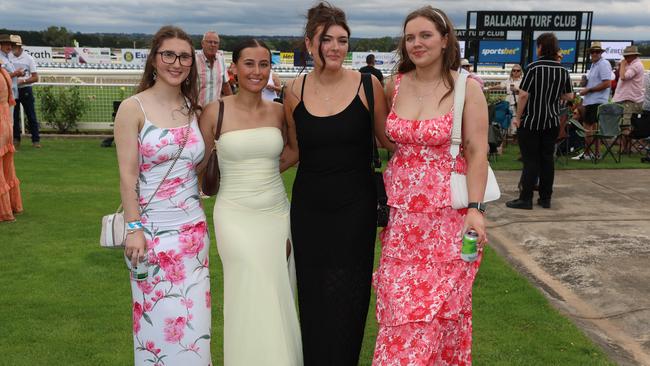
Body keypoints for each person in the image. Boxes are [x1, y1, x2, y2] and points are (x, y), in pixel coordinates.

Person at [372, 6, 489, 365]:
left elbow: (476, 149)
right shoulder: (395, 85)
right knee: (399, 314)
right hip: (402, 222)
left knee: (442, 318)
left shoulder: (466, 88)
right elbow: (384, 140)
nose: (416, 43)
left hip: (446, 223)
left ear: (445, 39)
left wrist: (476, 209)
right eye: (410, 37)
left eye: (425, 35)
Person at [282, 2, 392, 364]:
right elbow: (294, 149)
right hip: (309, 209)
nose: (335, 47)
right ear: (309, 43)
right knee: (312, 298)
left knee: (348, 297)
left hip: (354, 210)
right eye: (326, 39)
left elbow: (388, 140)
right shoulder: (293, 90)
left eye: (342, 40)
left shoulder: (368, 85)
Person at [198, 38, 302, 365]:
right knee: (249, 285)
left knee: (276, 289)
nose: (257, 72)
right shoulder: (216, 111)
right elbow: (198, 164)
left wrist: (269, 171)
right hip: (234, 214)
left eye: (264, 64)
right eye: (249, 64)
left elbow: (295, 150)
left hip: (275, 212)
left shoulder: (279, 111)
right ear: (234, 68)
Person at [114, 25, 212, 365]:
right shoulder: (132, 108)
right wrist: (133, 228)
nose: (177, 62)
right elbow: (127, 176)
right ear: (154, 59)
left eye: (184, 56)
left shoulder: (194, 109)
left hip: (193, 238)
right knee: (155, 331)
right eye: (168, 54)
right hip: (150, 236)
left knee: (195, 328)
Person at [507, 33, 574, 210]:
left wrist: (518, 118)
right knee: (547, 160)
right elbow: (569, 95)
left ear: (541, 47)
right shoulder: (562, 70)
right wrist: (553, 94)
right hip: (552, 120)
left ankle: (526, 198)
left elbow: (523, 94)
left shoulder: (534, 68)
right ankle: (545, 198)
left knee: (530, 160)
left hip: (531, 121)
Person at [574, 41, 612, 160]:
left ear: (601, 53)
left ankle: (587, 153)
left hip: (596, 101)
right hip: (591, 100)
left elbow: (607, 83)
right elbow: (598, 82)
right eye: (592, 52)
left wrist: (589, 90)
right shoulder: (594, 65)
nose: (594, 54)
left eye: (597, 52)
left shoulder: (603, 64)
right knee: (592, 128)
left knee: (588, 128)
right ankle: (595, 153)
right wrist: (585, 83)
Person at [0, 60, 23, 222]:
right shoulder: (4, 73)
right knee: (7, 168)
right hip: (5, 122)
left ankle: (5, 210)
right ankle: (13, 206)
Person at [613, 45, 645, 153]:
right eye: (625, 56)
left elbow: (623, 77)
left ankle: (624, 148)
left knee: (625, 125)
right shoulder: (632, 64)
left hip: (630, 100)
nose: (625, 59)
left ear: (633, 55)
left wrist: (622, 65)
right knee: (625, 124)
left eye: (627, 56)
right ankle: (625, 148)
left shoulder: (635, 66)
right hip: (628, 98)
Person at [10, 35, 41, 148]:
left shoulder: (29, 59)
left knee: (31, 115)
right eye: (11, 45)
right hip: (13, 90)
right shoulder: (8, 57)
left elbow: (35, 77)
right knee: (14, 116)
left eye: (14, 46)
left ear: (19, 46)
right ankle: (16, 139)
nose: (12, 48)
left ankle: (36, 140)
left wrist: (22, 81)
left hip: (25, 89)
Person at [196, 31, 232, 107]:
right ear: (202, 43)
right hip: (197, 110)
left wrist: (232, 105)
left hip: (215, 111)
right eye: (209, 42)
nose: (213, 45)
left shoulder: (221, 59)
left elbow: (225, 85)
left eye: (216, 43)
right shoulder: (194, 60)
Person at [0, 34, 24, 147]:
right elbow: (3, 75)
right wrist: (16, 73)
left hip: (11, 93)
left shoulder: (7, 57)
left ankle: (7, 144)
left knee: (10, 121)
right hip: (5, 95)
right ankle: (5, 145)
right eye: (6, 44)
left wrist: (17, 74)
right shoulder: (1, 58)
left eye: (10, 44)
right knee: (6, 121)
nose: (9, 47)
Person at [489, 64, 523, 136]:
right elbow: (501, 86)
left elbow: (525, 92)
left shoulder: (523, 81)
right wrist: (490, 88)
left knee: (515, 116)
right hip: (508, 100)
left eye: (518, 71)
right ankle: (508, 134)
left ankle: (515, 134)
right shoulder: (508, 80)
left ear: (520, 72)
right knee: (507, 115)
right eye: (514, 70)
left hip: (518, 101)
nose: (516, 72)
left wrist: (517, 90)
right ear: (512, 72)